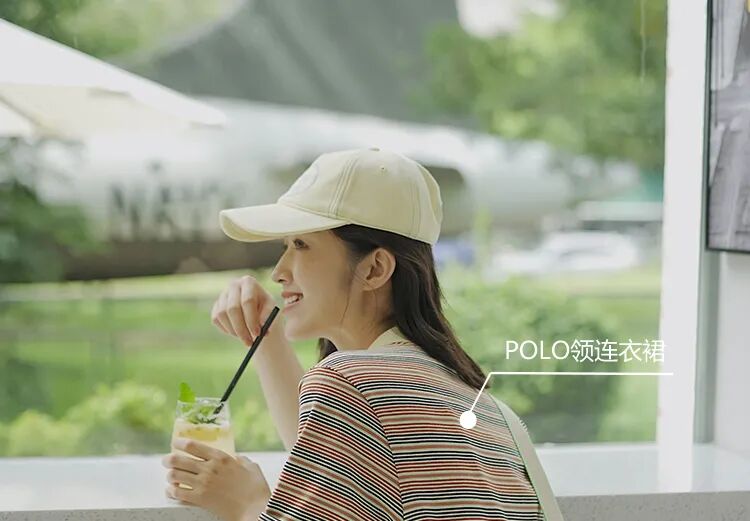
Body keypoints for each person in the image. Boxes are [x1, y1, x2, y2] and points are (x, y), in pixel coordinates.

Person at [162, 148, 560, 521]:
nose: (279, 271)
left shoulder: (349, 381)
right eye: (285, 246)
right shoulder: (475, 402)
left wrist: (247, 502)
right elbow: (331, 464)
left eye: (301, 244)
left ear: (374, 269)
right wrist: (267, 338)